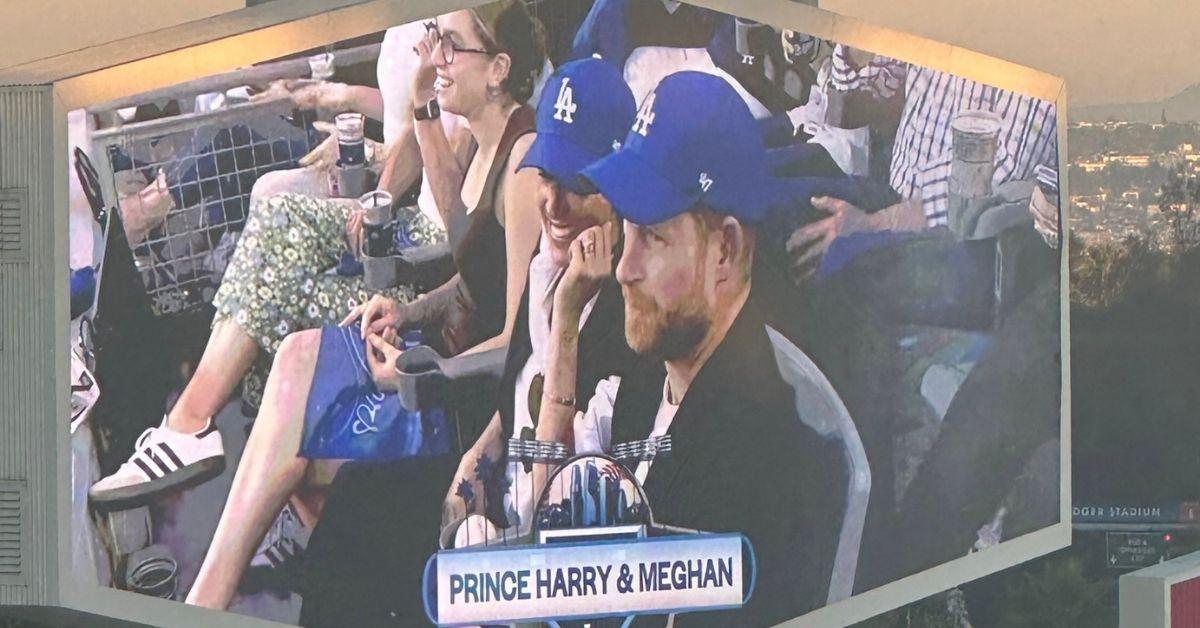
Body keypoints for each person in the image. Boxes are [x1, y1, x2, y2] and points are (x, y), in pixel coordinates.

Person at [184, 56, 636, 615]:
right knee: (342, 489)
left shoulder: (621, 309)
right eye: (548, 178)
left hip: (520, 511)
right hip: (490, 448)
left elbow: (548, 499)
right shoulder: (550, 255)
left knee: (318, 459)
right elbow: (495, 315)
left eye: (579, 185)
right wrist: (472, 456)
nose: (555, 203)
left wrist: (432, 373)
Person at [89, 1, 547, 512]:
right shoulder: (459, 79)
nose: (436, 54)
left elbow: (465, 249)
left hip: (420, 260)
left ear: (498, 68)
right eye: (436, 39)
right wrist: (343, 99)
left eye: (448, 45)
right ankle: (196, 430)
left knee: (276, 243)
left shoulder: (508, 144)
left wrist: (390, 157)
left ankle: (196, 428)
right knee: (274, 213)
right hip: (415, 252)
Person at [570, 71, 848, 625]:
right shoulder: (662, 354)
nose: (624, 269)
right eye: (627, 230)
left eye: (653, 236)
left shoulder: (760, 457)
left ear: (725, 250)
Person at [786, 44, 1059, 275]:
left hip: (961, 239)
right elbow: (875, 87)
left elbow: (1003, 168)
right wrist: (856, 49)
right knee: (775, 202)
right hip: (892, 196)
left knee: (826, 262)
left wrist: (875, 224)